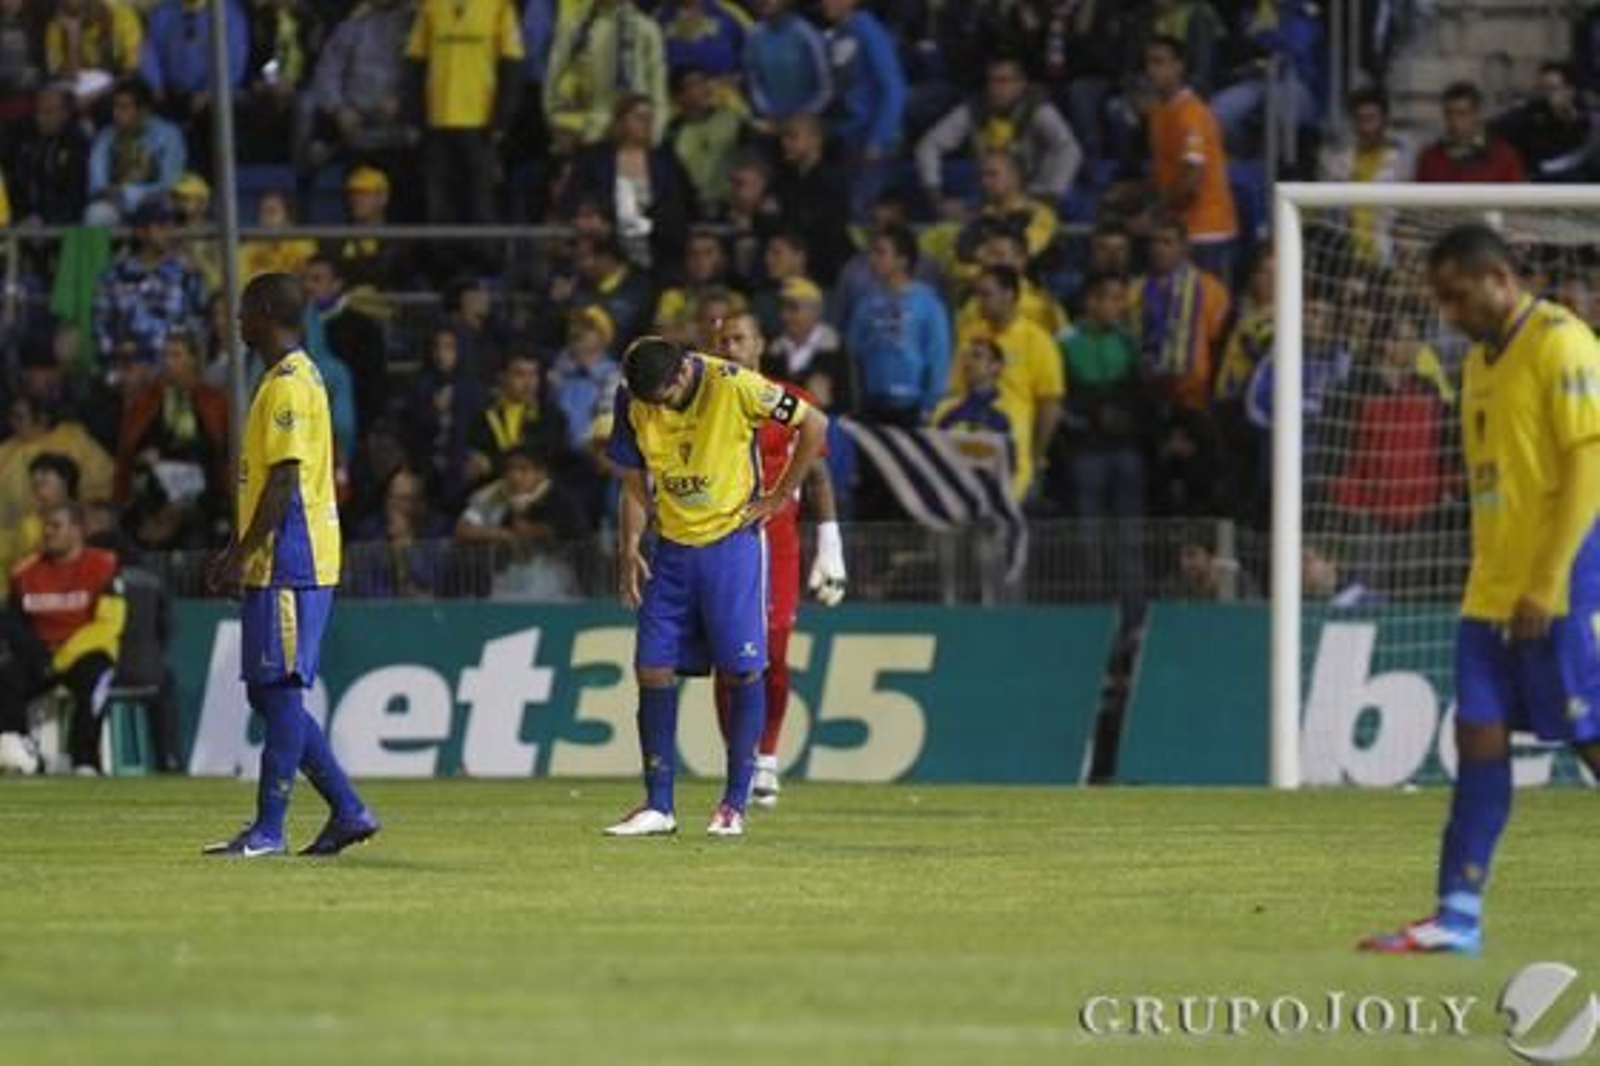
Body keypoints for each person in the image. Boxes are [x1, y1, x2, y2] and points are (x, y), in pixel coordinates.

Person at [1361, 225, 1600, 955]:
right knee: (1478, 736)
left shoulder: (1563, 342)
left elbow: (1591, 466)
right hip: (1491, 590)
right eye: (1440, 299)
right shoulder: (1474, 363)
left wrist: (1550, 578)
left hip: (1562, 584)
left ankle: (1458, 913)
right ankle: (1457, 913)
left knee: (1591, 742)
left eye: (1456, 296)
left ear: (1499, 277)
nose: (1448, 312)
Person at [603, 334, 826, 838]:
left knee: (742, 671)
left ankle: (733, 804)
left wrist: (778, 496)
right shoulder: (633, 397)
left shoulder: (737, 385)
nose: (656, 409)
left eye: (662, 397)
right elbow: (632, 473)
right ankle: (659, 805)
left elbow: (816, 424)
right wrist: (630, 546)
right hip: (673, 551)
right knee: (652, 668)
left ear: (683, 373)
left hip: (731, 546)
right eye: (648, 402)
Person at [201, 272, 378, 859]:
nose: (238, 320)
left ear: (269, 312)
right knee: (268, 692)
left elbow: (284, 482)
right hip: (281, 557)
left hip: (291, 559)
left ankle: (269, 829)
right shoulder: (283, 378)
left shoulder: (289, 385)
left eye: (246, 310)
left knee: (278, 690)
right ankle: (348, 810)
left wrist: (241, 553)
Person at [712, 313, 845, 807]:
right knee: (729, 660)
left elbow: (818, 477)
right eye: (721, 340)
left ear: (760, 344)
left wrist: (831, 545)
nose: (729, 348)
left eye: (738, 339)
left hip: (779, 543)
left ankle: (766, 755)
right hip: (720, 543)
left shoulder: (789, 403)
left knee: (773, 654)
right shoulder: (701, 405)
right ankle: (739, 760)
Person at [5, 502, 125, 773]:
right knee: (7, 676)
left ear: (77, 529)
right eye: (45, 526)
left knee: (96, 678)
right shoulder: (24, 572)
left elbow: (109, 625)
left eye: (55, 526)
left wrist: (63, 657)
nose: (48, 532)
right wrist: (38, 655)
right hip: (40, 656)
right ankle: (22, 752)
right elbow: (13, 624)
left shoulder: (104, 565)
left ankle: (85, 761)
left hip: (85, 654)